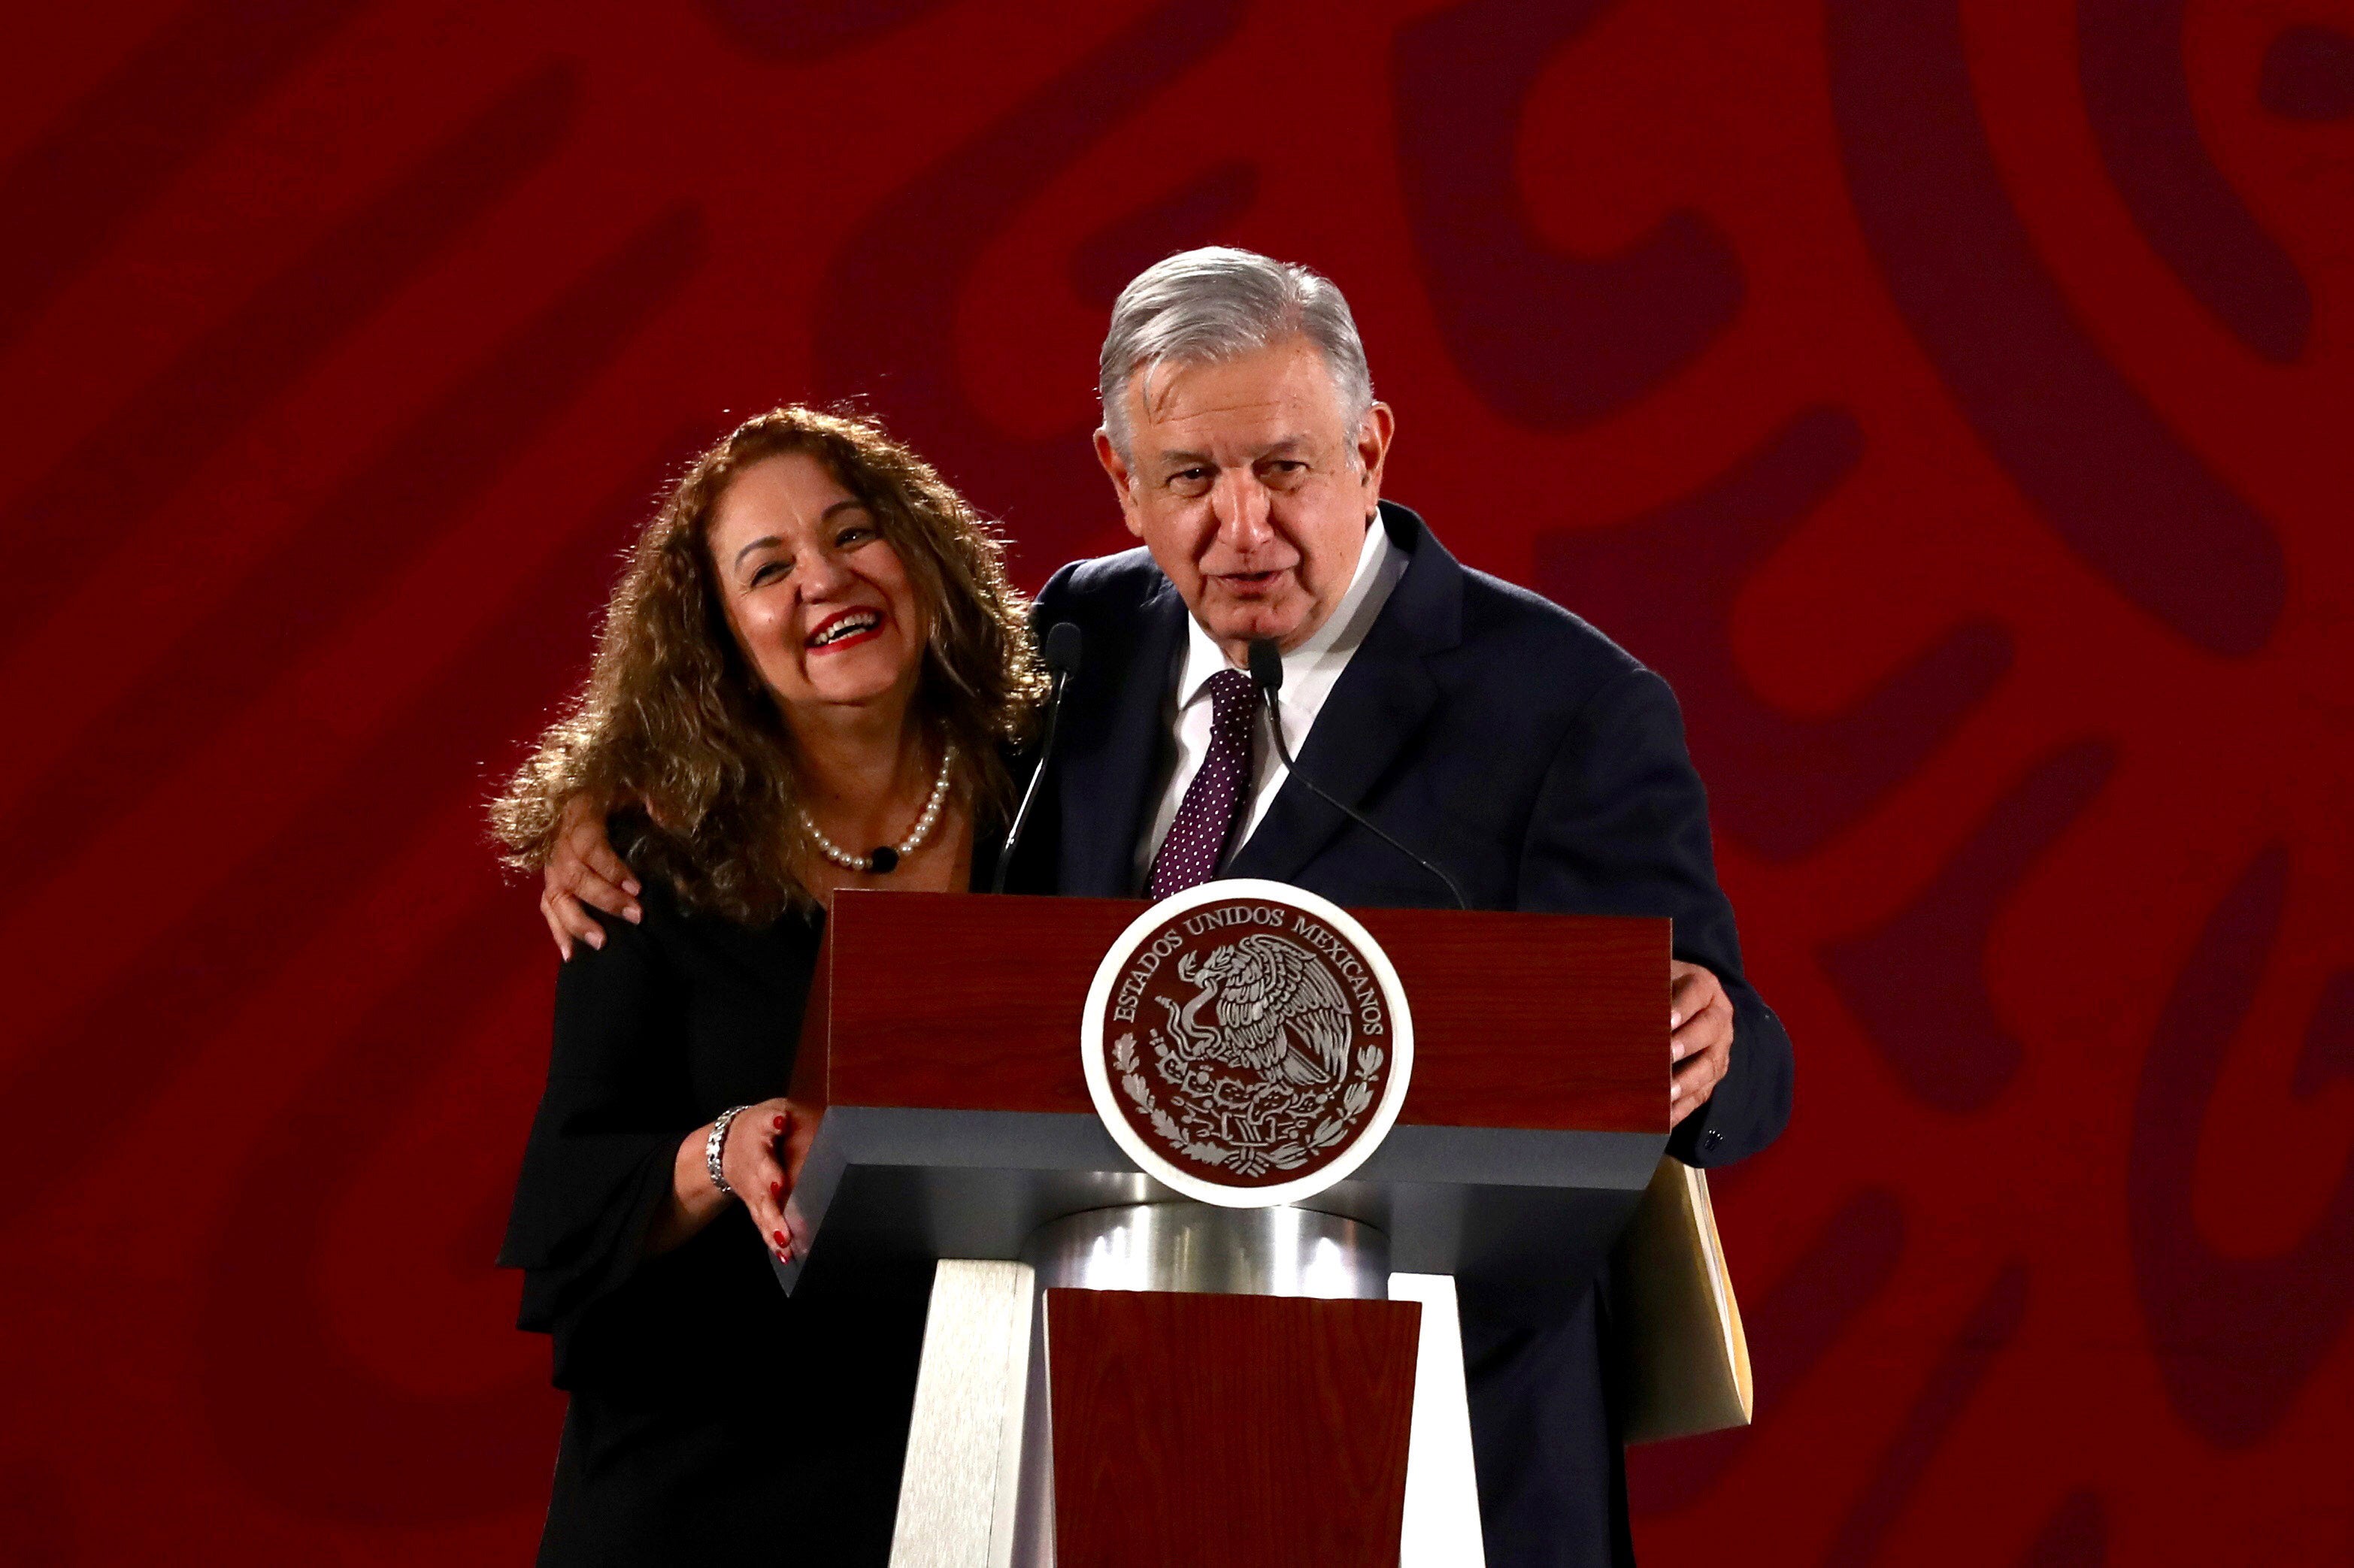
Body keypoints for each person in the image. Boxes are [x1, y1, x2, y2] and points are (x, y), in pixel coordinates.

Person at [542, 250, 1793, 1566]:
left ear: (1370, 448)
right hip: (1086, 1431)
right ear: (1120, 477)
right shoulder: (1085, 636)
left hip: (1439, 1448)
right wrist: (611, 797)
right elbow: (857, 734)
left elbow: (1740, 1064)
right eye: (1191, 478)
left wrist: (1711, 1043)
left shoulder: (1567, 706)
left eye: (1285, 467)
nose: (1242, 527)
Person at [492, 404, 1044, 1565]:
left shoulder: (1053, 789)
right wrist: (722, 1149)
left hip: (973, 1468)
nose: (824, 581)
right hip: (701, 1488)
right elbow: (573, 1192)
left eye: (853, 532)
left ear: (922, 551)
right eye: (768, 569)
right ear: (723, 639)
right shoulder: (651, 864)